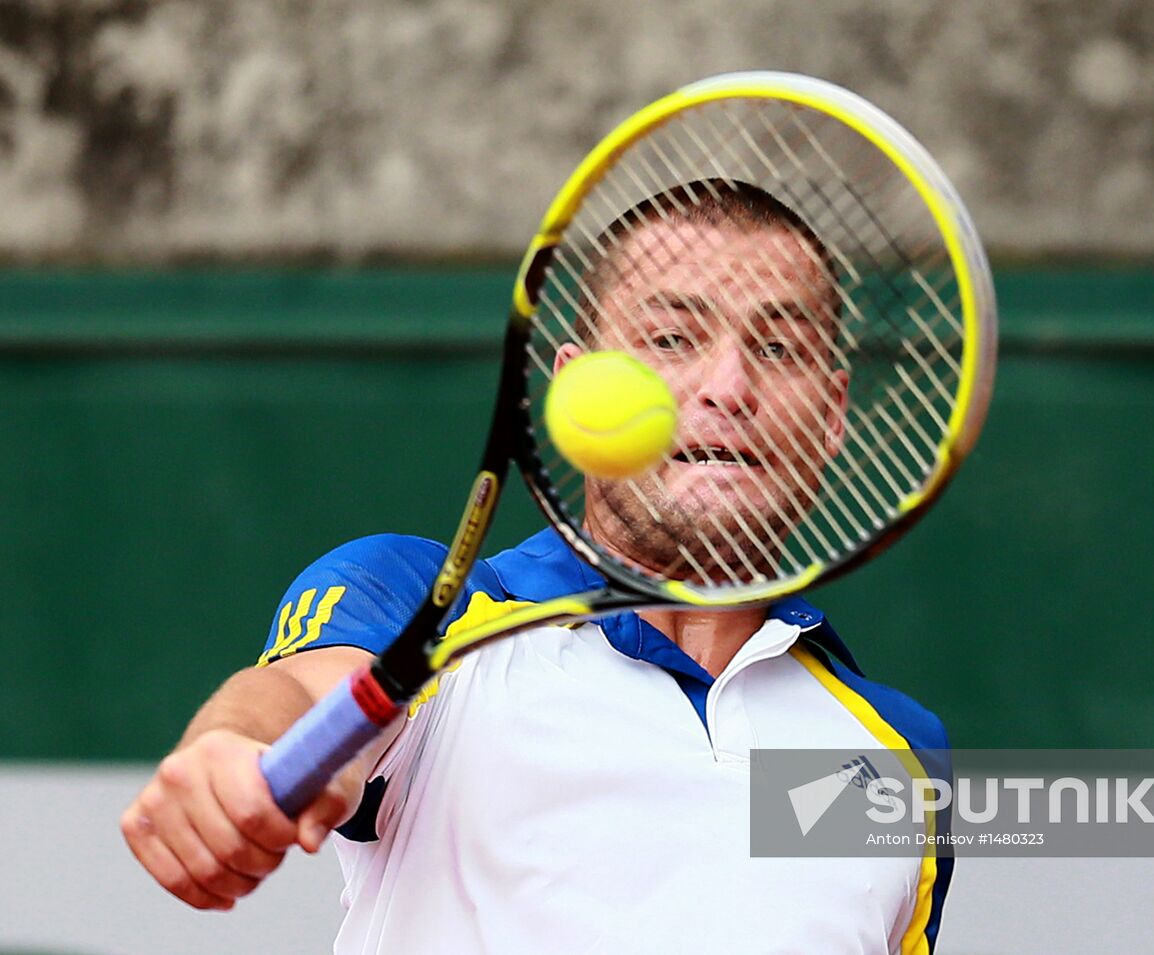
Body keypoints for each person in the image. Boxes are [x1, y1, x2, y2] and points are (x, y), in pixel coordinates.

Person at [121, 181, 954, 953]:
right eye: (672, 336)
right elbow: (302, 697)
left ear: (834, 411)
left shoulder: (899, 757)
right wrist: (233, 750)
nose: (728, 384)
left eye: (778, 347)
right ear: (577, 387)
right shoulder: (426, 609)